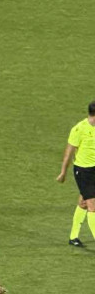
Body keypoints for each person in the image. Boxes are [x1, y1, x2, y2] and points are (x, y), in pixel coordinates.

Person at [57, 100, 95, 245]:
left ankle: (73, 237)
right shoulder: (79, 129)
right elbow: (69, 152)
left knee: (83, 202)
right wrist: (63, 172)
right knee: (92, 206)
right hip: (83, 171)